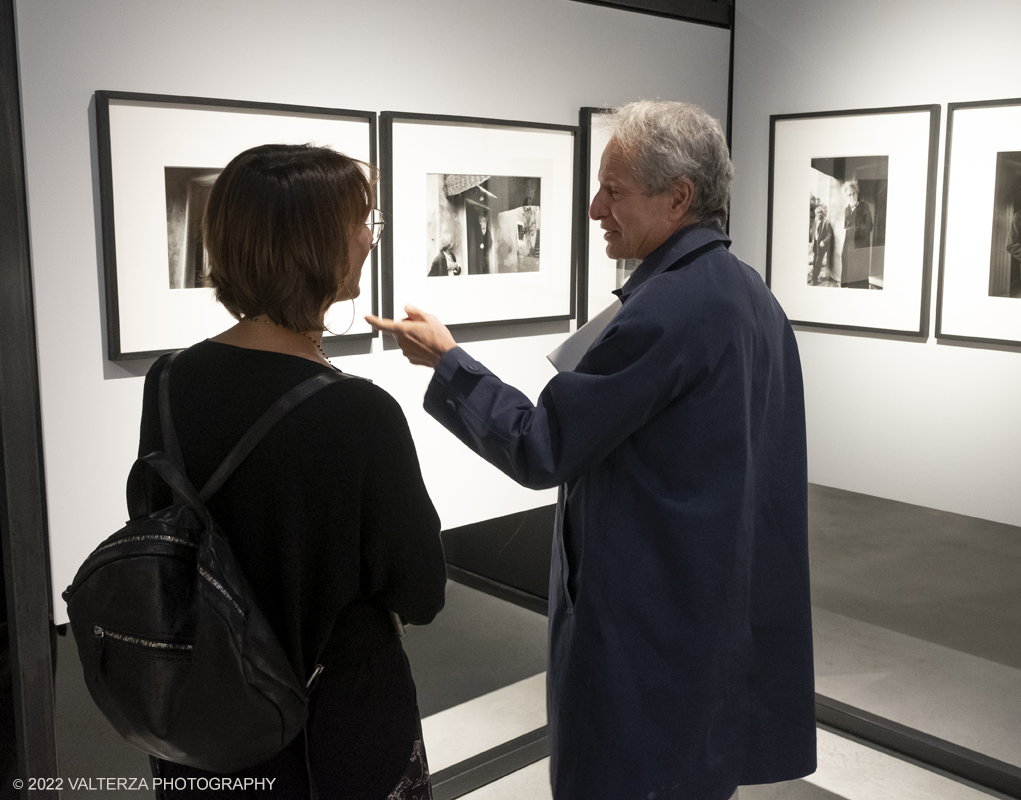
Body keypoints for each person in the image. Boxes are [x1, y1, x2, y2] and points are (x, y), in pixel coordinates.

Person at [368, 101, 815, 800]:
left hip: (646, 629)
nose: (591, 206)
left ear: (678, 197)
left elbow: (542, 445)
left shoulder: (668, 310)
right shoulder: (747, 295)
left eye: (614, 189)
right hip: (702, 614)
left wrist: (448, 363)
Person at [136, 144, 446, 799]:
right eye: (359, 222)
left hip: (204, 722)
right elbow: (421, 591)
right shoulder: (361, 411)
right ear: (312, 246)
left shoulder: (168, 381)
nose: (368, 237)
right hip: (331, 732)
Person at [840, 180, 872, 288]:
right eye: (849, 194)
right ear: (846, 197)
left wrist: (851, 230)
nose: (852, 196)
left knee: (860, 278)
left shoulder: (864, 206)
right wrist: (848, 231)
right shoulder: (847, 210)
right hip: (849, 247)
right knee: (848, 275)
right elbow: (846, 227)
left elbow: (868, 226)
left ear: (857, 193)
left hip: (861, 247)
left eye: (854, 193)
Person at [811, 204, 834, 284]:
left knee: (818, 262)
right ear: (815, 214)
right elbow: (814, 232)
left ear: (823, 213)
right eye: (817, 213)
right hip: (816, 244)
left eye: (821, 212)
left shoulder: (826, 222)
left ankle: (814, 280)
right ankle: (814, 276)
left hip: (821, 246)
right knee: (814, 261)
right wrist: (813, 242)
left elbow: (829, 235)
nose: (819, 214)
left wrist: (823, 242)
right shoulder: (816, 220)